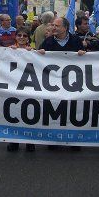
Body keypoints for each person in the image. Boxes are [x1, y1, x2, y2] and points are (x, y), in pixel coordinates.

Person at [39, 17, 86, 151]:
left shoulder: (76, 41)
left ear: (65, 28)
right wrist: (40, 53)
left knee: (72, 110)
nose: (53, 27)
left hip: (72, 83)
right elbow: (38, 60)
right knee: (54, 110)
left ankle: (73, 140)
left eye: (57, 26)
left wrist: (83, 54)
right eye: (53, 25)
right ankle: (54, 139)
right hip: (53, 84)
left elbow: (85, 61)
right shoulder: (47, 42)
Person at [7, 27, 35, 152]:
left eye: (24, 35)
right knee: (14, 114)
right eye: (19, 35)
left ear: (28, 38)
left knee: (29, 115)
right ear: (16, 37)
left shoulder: (34, 50)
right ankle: (15, 141)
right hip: (14, 87)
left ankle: (30, 141)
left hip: (29, 87)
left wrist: (34, 53)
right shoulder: (9, 50)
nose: (22, 37)